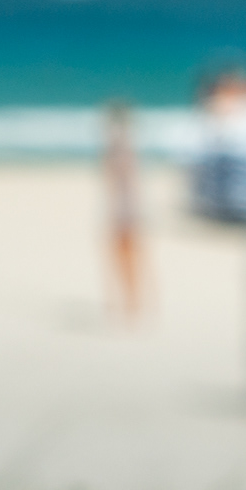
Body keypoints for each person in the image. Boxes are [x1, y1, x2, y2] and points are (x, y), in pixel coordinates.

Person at [102, 97, 146, 324]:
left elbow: (126, 184)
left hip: (124, 211)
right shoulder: (122, 146)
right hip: (125, 210)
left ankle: (131, 303)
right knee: (124, 257)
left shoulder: (120, 147)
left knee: (126, 257)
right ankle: (128, 302)